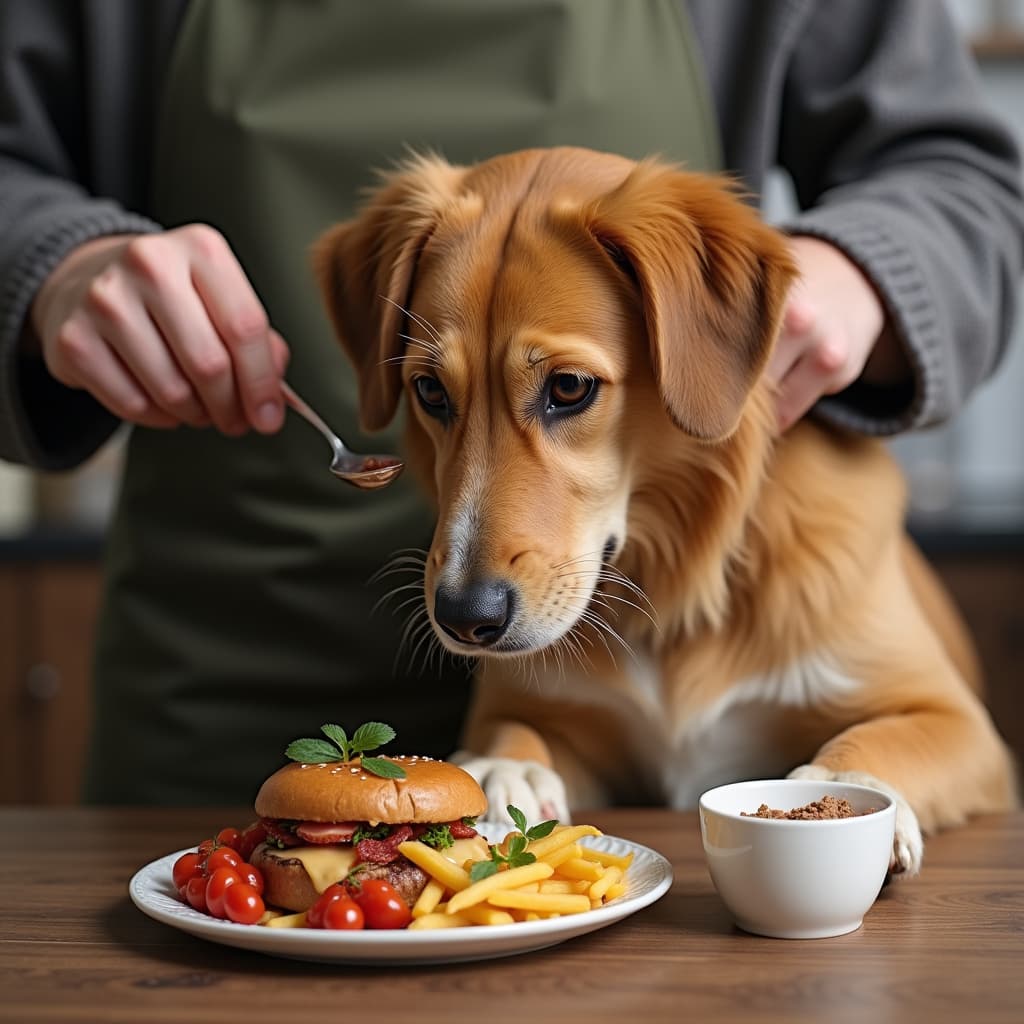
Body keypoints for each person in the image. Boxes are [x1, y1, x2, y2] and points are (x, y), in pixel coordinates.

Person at [1, 0, 1021, 804]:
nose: (471, 568)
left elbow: (963, 177)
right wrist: (49, 264)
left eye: (566, 390)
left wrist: (863, 270)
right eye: (430, 394)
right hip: (220, 714)